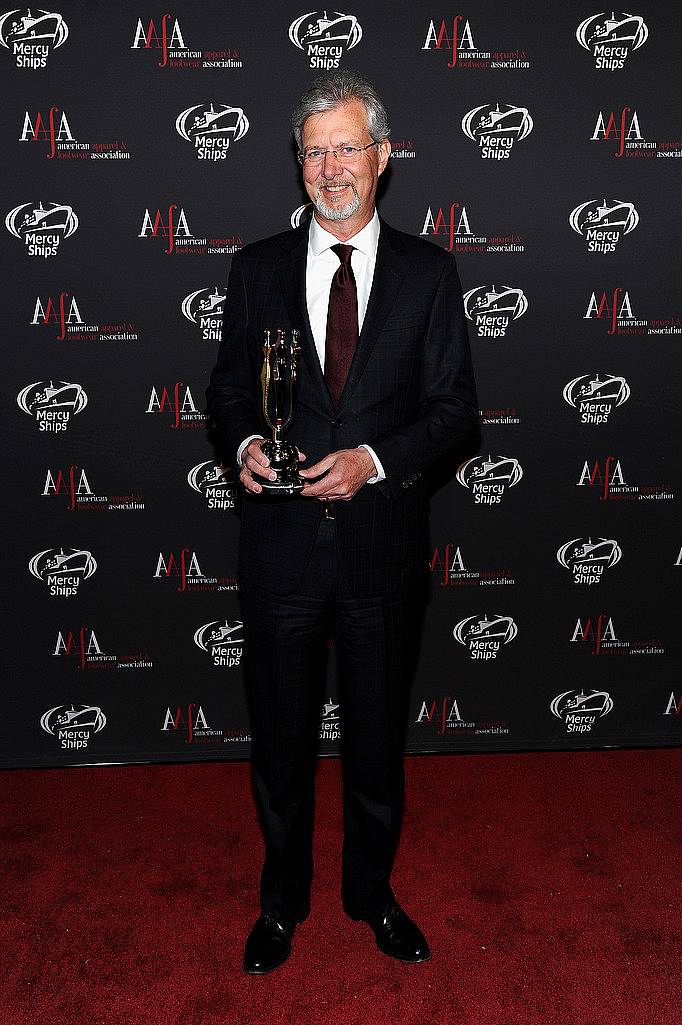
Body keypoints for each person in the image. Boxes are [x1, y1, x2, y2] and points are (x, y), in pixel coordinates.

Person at [206, 70, 478, 974]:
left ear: (382, 156)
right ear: (299, 164)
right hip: (280, 552)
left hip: (380, 552)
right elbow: (228, 392)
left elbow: (453, 413)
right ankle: (280, 902)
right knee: (280, 745)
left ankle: (372, 892)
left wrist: (372, 462)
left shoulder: (430, 274)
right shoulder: (256, 271)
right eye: (315, 150)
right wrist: (245, 440)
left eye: (346, 147)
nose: (331, 167)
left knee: (374, 745)